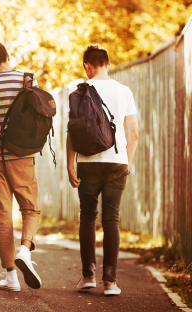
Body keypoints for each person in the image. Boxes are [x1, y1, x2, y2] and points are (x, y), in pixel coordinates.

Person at [67, 44, 139, 296]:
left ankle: (88, 276)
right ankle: (110, 281)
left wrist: (69, 164)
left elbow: (72, 130)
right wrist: (125, 161)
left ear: (87, 66)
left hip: (87, 162)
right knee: (111, 219)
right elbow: (134, 134)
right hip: (117, 161)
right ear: (108, 64)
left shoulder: (78, 90)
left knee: (87, 216)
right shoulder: (124, 91)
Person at [0, 41, 42, 291]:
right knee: (30, 208)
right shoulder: (26, 80)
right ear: (7, 55)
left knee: (3, 217)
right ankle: (25, 250)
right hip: (22, 156)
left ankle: (11, 276)